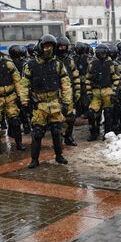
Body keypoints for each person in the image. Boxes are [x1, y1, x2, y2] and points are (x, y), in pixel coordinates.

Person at [20, 35, 73, 169]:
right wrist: (25, 102)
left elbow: (65, 84)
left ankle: (59, 155)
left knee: (56, 131)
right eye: (46, 46)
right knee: (37, 133)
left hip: (55, 102)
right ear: (40, 47)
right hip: (39, 104)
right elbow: (24, 85)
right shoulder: (30, 65)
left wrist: (67, 103)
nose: (48, 49)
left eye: (51, 46)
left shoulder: (58, 64)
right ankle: (34, 159)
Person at [85, 44, 119, 141]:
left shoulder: (111, 64)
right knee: (91, 113)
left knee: (108, 113)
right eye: (100, 53)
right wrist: (88, 92)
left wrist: (114, 93)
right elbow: (88, 79)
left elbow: (116, 79)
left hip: (107, 90)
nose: (102, 55)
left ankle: (107, 133)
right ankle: (94, 132)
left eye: (104, 53)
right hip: (95, 91)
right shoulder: (92, 64)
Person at [56, 37, 81, 146]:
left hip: (68, 91)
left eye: (64, 47)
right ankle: (58, 139)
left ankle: (68, 137)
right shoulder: (53, 60)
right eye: (60, 46)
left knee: (70, 117)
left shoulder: (69, 60)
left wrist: (77, 91)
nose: (62, 48)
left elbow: (75, 76)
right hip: (55, 92)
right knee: (56, 118)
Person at [8, 44, 31, 135]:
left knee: (12, 112)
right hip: (23, 90)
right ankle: (26, 128)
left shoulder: (9, 64)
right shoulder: (25, 63)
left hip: (12, 91)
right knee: (24, 111)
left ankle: (11, 130)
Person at [109, 44, 121, 133]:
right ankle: (113, 125)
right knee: (111, 110)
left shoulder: (120, 64)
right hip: (110, 90)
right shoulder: (107, 64)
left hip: (119, 90)